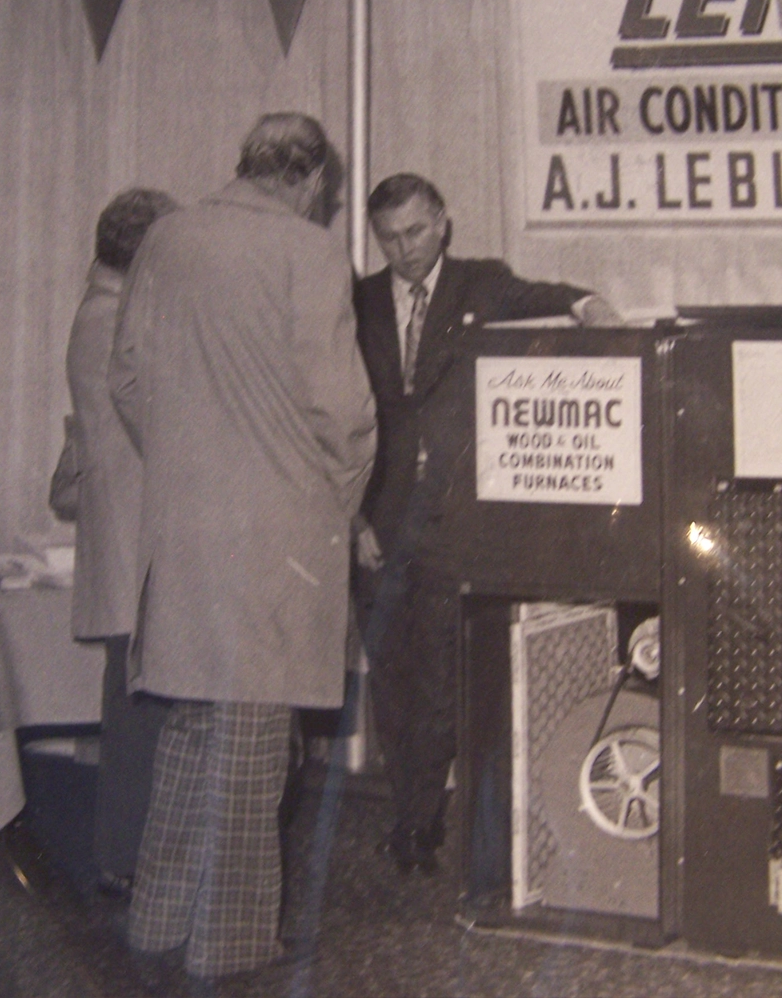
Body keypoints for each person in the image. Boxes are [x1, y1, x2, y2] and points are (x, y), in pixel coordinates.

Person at [109, 113, 376, 980]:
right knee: (256, 745)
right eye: (325, 192)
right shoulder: (309, 252)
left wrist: (189, 468)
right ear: (305, 180)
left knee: (192, 734)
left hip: (183, 534)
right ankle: (227, 947)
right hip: (277, 537)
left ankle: (156, 923)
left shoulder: (166, 238)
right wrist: (331, 507)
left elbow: (128, 377)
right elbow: (343, 412)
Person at [352, 173, 619, 875]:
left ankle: (417, 824)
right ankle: (411, 813)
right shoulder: (360, 303)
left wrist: (589, 304)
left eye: (415, 231)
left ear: (443, 222)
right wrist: (353, 518)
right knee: (390, 679)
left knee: (441, 679)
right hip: (375, 521)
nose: (404, 250)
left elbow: (547, 299)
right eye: (389, 237)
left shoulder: (481, 284)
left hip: (451, 520)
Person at [65, 187, 179, 901]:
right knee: (139, 718)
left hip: (124, 540)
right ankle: (128, 860)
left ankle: (126, 856)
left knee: (134, 710)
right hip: (138, 542)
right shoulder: (115, 323)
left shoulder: (97, 314)